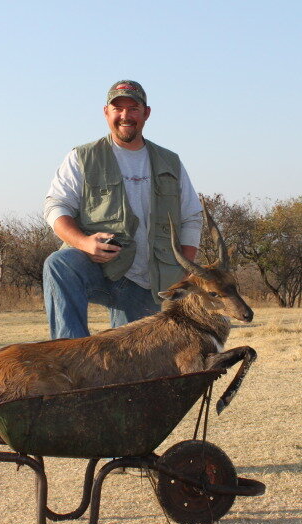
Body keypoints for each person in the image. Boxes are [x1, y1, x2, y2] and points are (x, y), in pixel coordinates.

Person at [43, 80, 203, 339]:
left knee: (134, 359)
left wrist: (183, 270)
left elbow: (191, 218)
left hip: (146, 282)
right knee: (60, 264)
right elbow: (56, 206)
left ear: (146, 113)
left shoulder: (170, 161)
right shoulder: (82, 156)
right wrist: (84, 243)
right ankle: (71, 354)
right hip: (99, 268)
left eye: (133, 108)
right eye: (118, 108)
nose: (125, 116)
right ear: (106, 112)